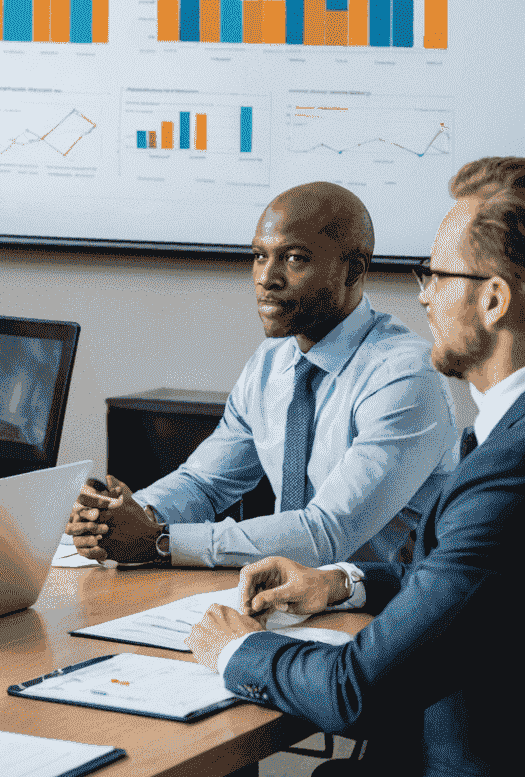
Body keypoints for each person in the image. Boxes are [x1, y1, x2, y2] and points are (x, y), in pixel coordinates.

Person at [146, 158, 525, 777]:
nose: (422, 298)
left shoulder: (507, 472)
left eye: (437, 277)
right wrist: (341, 584)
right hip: (457, 775)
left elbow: (355, 691)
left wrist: (236, 652)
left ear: (495, 300)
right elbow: (462, 581)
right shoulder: (504, 438)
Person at [68, 181, 455, 568]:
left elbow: (325, 533)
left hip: (376, 608)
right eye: (259, 255)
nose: (266, 278)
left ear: (352, 270)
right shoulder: (272, 361)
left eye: (294, 259)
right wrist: (122, 515)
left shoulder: (405, 376)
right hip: (286, 598)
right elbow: (205, 483)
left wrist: (161, 541)